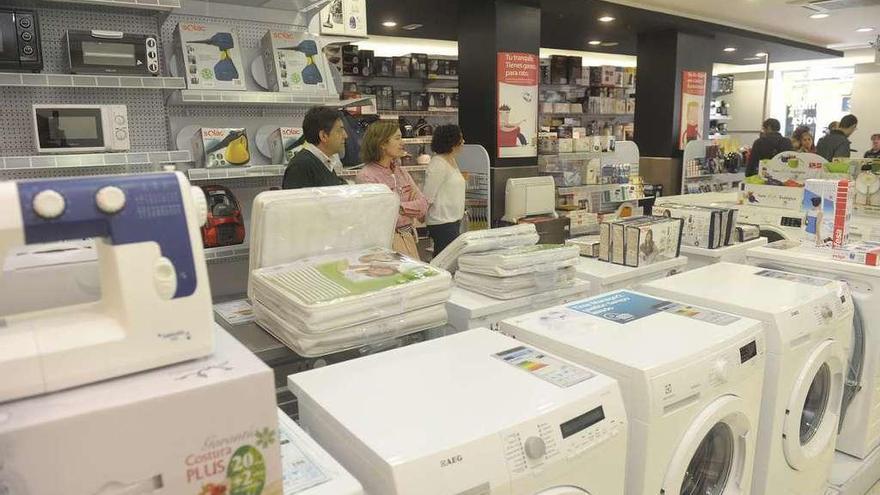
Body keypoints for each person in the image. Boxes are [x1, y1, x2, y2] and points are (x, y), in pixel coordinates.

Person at [356, 121, 428, 260]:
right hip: (384, 245)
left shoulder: (401, 172)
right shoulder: (366, 176)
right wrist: (409, 206)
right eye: (397, 138)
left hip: (408, 240)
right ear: (382, 143)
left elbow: (423, 205)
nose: (402, 142)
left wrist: (398, 207)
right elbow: (380, 214)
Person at [422, 125, 467, 257]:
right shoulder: (438, 164)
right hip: (441, 222)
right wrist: (421, 214)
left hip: (452, 221)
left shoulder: (452, 160)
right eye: (461, 138)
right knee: (444, 260)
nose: (463, 141)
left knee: (448, 259)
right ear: (452, 141)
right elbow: (429, 194)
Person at [282, 106, 347, 189]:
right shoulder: (301, 166)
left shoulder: (325, 162)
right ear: (323, 136)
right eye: (340, 130)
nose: (345, 135)